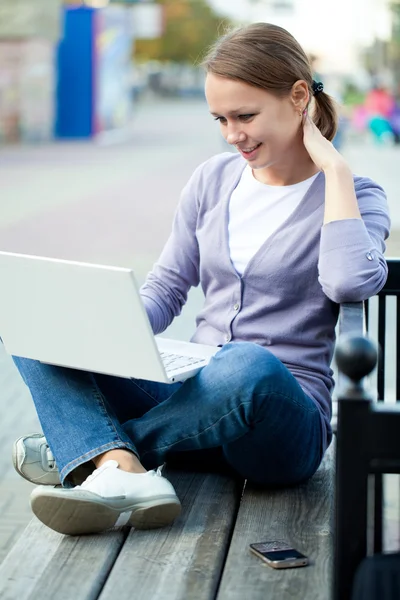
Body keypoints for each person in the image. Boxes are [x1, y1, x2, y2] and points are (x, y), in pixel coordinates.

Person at [10, 23, 390, 536]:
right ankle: (121, 468)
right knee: (39, 327)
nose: (233, 135)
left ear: (299, 96)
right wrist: (102, 330)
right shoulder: (213, 179)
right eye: (220, 119)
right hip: (193, 410)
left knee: (246, 364)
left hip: (277, 425)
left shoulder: (356, 195)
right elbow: (167, 287)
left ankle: (91, 452)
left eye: (246, 116)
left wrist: (336, 171)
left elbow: (348, 282)